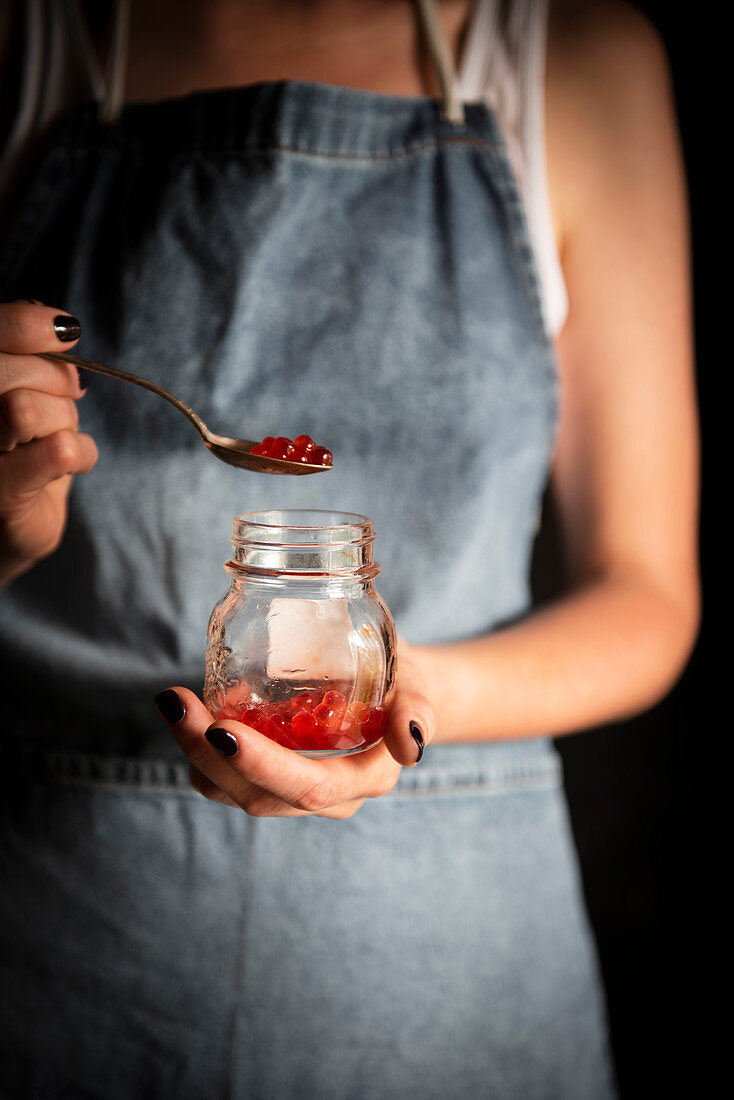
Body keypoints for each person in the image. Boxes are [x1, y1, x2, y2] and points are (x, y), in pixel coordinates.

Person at [0, 1, 698, 1096]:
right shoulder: (28, 39)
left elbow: (647, 597)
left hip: (456, 974)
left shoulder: (574, 56)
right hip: (50, 947)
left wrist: (419, 692)